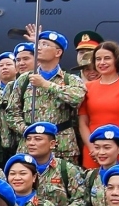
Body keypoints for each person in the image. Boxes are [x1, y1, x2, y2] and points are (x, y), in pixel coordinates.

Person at [5, 31, 86, 162]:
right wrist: (28, 131)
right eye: (38, 44)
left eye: (45, 44)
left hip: (62, 146)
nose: (39, 47)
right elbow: (11, 113)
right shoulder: (24, 80)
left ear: (58, 52)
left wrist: (46, 84)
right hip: (30, 146)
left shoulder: (70, 80)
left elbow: (77, 98)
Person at [76, 41, 119, 169]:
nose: (102, 62)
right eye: (98, 59)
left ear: (117, 59)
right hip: (92, 151)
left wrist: (109, 147)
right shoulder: (87, 87)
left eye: (107, 58)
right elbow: (82, 123)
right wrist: (94, 148)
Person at [22, 122, 86, 206]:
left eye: (37, 139)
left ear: (52, 144)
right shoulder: (20, 169)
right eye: (29, 139)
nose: (31, 143)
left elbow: (83, 199)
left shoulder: (66, 169)